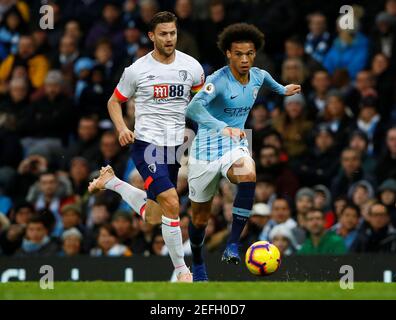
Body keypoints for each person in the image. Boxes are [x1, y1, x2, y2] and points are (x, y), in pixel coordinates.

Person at [87, 12, 204, 282]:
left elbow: (201, 104)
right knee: (173, 203)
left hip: (175, 147)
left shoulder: (193, 67)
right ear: (152, 36)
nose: (169, 38)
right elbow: (113, 102)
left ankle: (113, 182)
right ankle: (182, 271)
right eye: (163, 34)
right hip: (147, 145)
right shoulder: (137, 70)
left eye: (172, 33)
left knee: (154, 215)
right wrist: (122, 128)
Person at [184, 23, 300, 281]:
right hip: (204, 152)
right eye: (239, 53)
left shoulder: (258, 75)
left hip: (234, 146)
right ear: (228, 53)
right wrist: (222, 126)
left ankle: (232, 244)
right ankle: (199, 262)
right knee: (200, 219)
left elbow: (269, 82)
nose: (245, 59)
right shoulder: (217, 81)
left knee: (248, 173)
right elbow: (192, 110)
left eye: (249, 53)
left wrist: (284, 90)